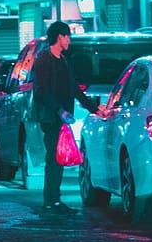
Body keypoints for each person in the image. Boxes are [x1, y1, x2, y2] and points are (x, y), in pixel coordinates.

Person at [31, 20, 100, 214]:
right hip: (51, 118)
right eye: (67, 36)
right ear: (59, 37)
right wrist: (59, 110)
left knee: (58, 158)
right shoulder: (45, 59)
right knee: (54, 158)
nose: (69, 39)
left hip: (61, 118)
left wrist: (93, 108)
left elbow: (74, 89)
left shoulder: (63, 60)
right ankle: (51, 200)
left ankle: (54, 199)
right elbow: (42, 91)